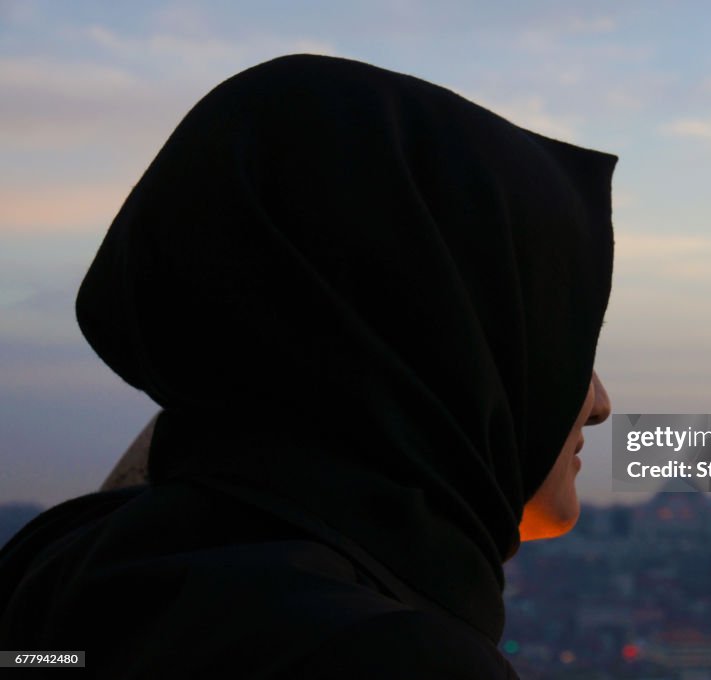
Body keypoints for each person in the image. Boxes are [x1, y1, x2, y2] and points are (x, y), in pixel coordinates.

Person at [0, 54, 615, 678]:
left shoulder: (56, 572)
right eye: (566, 347)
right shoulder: (381, 654)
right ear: (440, 347)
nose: (598, 403)